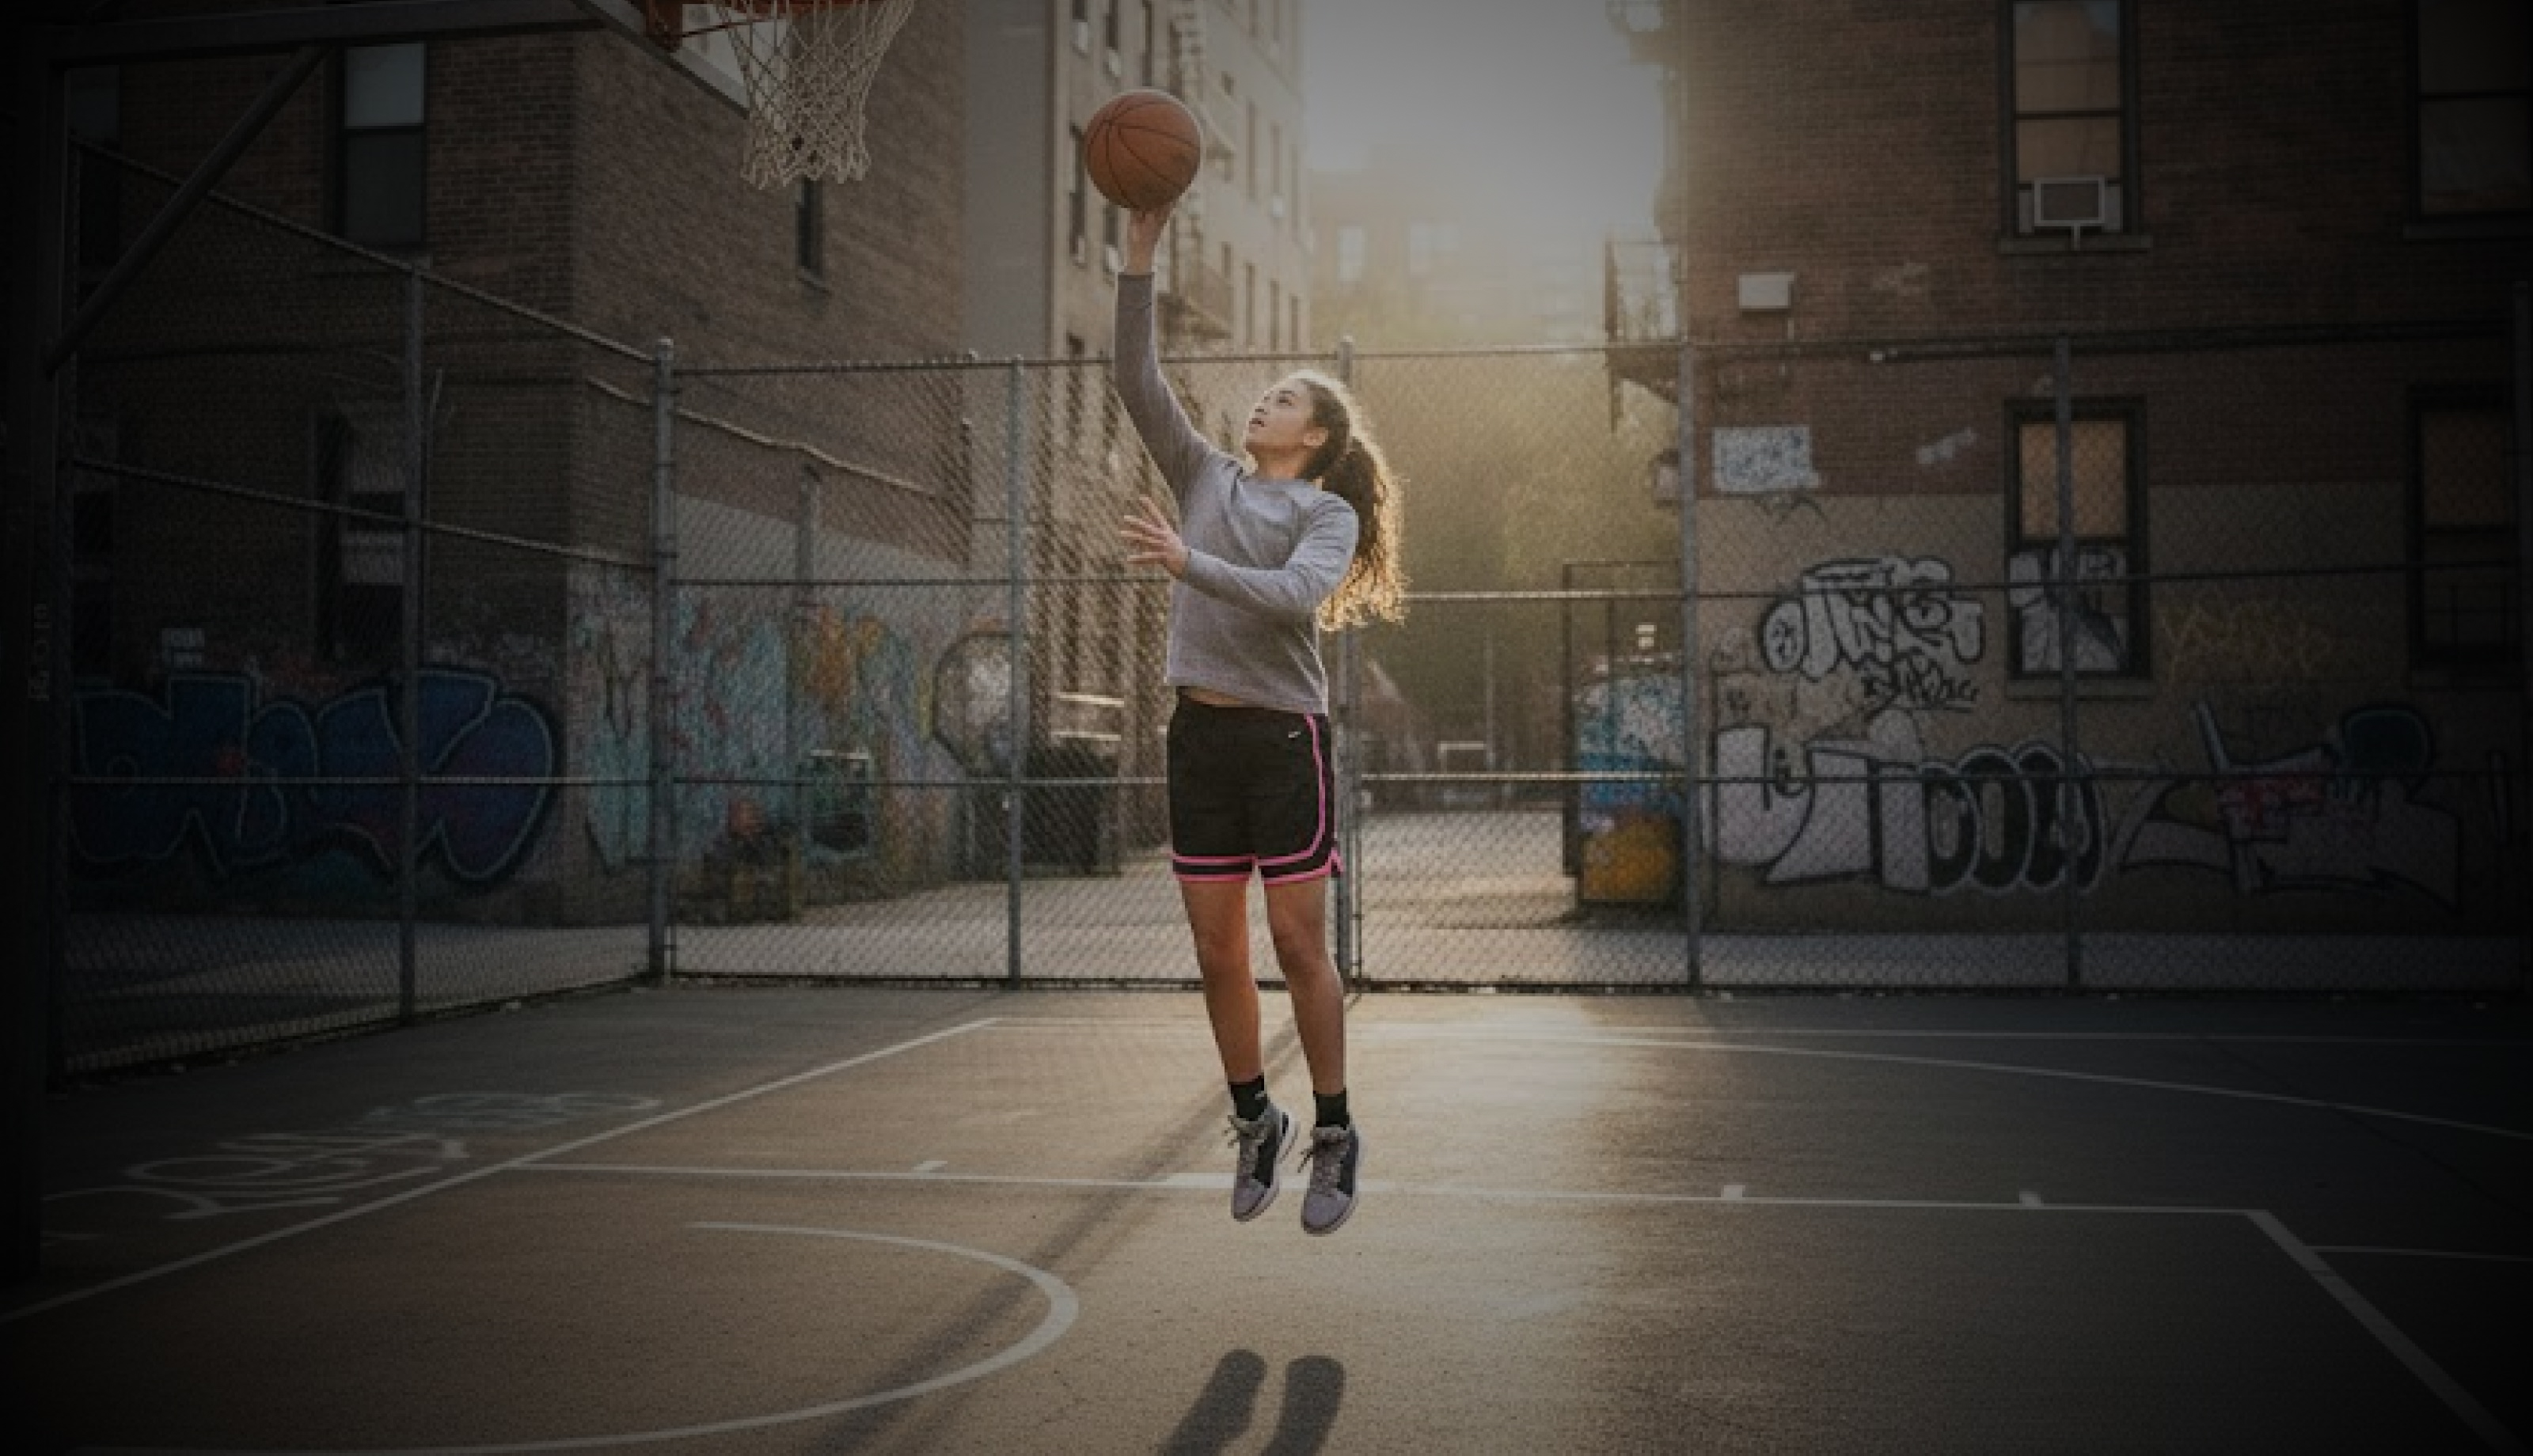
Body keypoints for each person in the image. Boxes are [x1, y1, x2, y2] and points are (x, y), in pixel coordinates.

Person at [1112, 201, 1405, 1236]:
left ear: (1314, 436)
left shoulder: (1323, 513)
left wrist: (1192, 563)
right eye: (1261, 396)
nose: (1259, 405)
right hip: (1198, 739)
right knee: (1216, 952)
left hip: (1282, 740)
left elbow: (1292, 599)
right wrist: (1139, 258)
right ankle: (1255, 1119)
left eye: (1281, 399)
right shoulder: (1203, 476)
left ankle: (1333, 1131)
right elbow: (1134, 382)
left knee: (1296, 943)